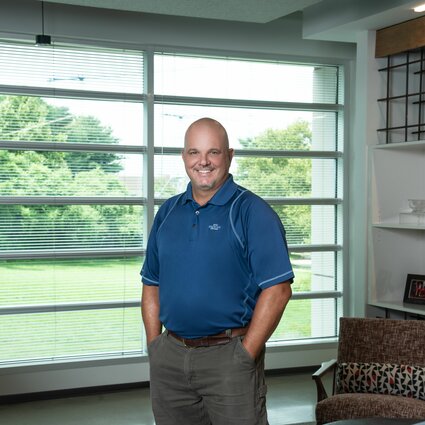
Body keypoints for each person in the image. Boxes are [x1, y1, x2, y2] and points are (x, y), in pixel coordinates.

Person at [141, 117, 294, 425]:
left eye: (214, 152)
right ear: (184, 157)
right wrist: (155, 345)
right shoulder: (168, 212)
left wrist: (246, 353)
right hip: (170, 357)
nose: (204, 162)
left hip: (229, 356)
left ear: (229, 155)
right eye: (194, 152)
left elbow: (278, 290)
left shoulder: (253, 212)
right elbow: (151, 284)